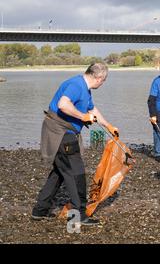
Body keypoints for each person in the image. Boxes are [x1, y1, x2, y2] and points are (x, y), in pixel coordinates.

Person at [32, 63, 118, 225]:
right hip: (61, 134)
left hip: (64, 133)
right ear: (98, 78)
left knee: (59, 172)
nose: (103, 83)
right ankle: (79, 215)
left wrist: (108, 126)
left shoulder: (85, 89)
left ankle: (40, 210)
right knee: (76, 173)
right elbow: (63, 105)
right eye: (104, 80)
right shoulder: (76, 85)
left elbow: (92, 110)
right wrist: (82, 116)